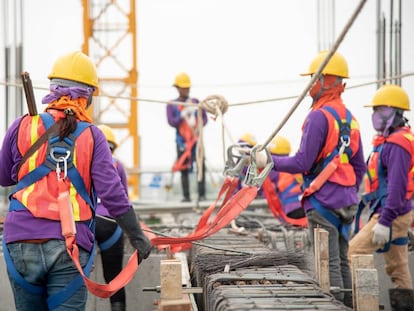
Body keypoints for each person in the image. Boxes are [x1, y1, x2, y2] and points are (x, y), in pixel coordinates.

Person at [0, 51, 152, 310]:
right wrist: (137, 236)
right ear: (88, 95)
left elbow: (5, 177)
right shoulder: (92, 136)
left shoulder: (23, 125)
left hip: (20, 241)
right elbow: (114, 196)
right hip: (68, 246)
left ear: (52, 90)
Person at [255, 51, 366, 307]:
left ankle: (335, 306)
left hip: (323, 202)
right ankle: (350, 305)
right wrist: (347, 191)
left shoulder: (318, 116)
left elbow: (302, 163)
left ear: (325, 81)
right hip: (347, 202)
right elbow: (359, 166)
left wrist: (269, 160)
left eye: (313, 80)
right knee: (342, 260)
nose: (309, 86)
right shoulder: (350, 119)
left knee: (328, 263)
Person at [348, 84, 414, 310]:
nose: (377, 117)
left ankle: (367, 305)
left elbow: (397, 186)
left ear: (397, 113)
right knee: (398, 266)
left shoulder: (397, 144)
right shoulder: (392, 141)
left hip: (393, 212)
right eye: (375, 111)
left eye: (382, 111)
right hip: (397, 210)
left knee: (355, 251)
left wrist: (385, 221)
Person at [95, 124, 128, 311]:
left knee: (73, 278)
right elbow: (124, 202)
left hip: (87, 223)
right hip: (112, 226)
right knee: (115, 279)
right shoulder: (117, 165)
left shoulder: (83, 162)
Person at [167, 72, 208, 202]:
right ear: (178, 88)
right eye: (183, 88)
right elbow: (171, 121)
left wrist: (197, 122)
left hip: (196, 140)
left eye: (187, 88)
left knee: (201, 166)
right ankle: (186, 196)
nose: (186, 90)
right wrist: (182, 116)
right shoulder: (172, 104)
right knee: (183, 168)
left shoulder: (195, 102)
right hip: (182, 142)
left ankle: (201, 195)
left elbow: (205, 119)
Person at [266, 136, 305, 220]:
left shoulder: (274, 170)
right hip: (307, 206)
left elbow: (263, 187)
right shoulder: (293, 165)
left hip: (291, 209)